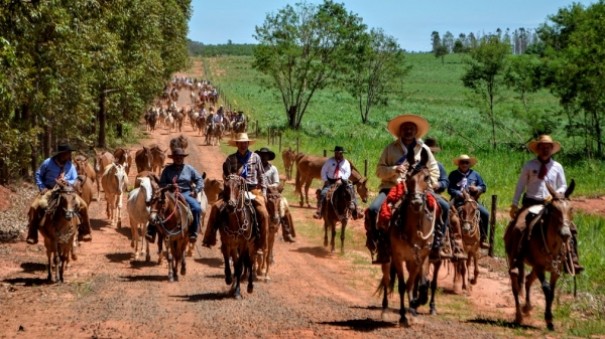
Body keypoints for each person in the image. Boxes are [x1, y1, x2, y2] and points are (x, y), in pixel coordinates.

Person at [366, 114, 440, 264]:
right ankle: (379, 245)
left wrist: (428, 184)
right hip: (391, 187)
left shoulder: (424, 149)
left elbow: (434, 170)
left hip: (418, 189)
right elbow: (379, 171)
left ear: (415, 131)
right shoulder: (390, 149)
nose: (408, 131)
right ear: (400, 131)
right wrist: (394, 169)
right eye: (405, 128)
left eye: (411, 129)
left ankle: (438, 244)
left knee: (443, 207)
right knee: (374, 209)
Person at [508, 134, 583, 273]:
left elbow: (563, 186)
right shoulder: (529, 166)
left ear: (551, 149)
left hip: (551, 203)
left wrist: (555, 194)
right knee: (519, 227)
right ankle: (516, 260)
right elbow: (520, 185)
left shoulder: (557, 167)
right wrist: (514, 203)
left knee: (570, 227)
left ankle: (572, 259)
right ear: (538, 149)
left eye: (548, 147)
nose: (545, 150)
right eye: (542, 147)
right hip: (531, 202)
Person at [202, 133, 268, 252]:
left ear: (248, 144)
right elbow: (225, 176)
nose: (243, 145)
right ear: (237, 144)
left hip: (252, 190)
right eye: (241, 143)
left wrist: (264, 191)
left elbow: (262, 175)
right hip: (234, 191)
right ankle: (210, 237)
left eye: (245, 143)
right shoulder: (230, 158)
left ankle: (261, 244)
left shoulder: (255, 157)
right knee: (215, 208)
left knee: (264, 214)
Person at [26, 142, 93, 245]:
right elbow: (38, 174)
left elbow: (74, 178)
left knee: (83, 206)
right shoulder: (47, 163)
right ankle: (32, 234)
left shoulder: (69, 165)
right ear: (61, 153)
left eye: (70, 153)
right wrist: (42, 187)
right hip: (48, 189)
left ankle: (85, 232)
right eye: (68, 153)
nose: (69, 155)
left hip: (66, 191)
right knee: (34, 207)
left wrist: (67, 182)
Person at [145, 148, 204, 243]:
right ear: (173, 158)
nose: (178, 159)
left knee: (197, 208)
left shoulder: (189, 169)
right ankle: (151, 232)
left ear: (183, 158)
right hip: (169, 193)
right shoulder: (167, 170)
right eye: (176, 157)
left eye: (180, 157)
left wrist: (196, 190)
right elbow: (161, 183)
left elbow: (200, 180)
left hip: (186, 193)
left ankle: (193, 232)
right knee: (156, 205)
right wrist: (169, 186)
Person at [424, 138, 466, 260]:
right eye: (428, 151)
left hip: (434, 193)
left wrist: (439, 185)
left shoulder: (438, 166)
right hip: (418, 192)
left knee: (446, 207)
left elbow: (445, 181)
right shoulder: (418, 162)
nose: (430, 154)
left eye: (432, 152)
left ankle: (440, 241)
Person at [447, 154, 490, 249]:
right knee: (447, 213)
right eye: (462, 162)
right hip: (458, 201)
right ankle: (445, 237)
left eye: (466, 162)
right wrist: (459, 194)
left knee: (485, 214)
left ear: (469, 164)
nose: (464, 164)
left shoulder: (475, 174)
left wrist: (477, 188)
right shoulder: (453, 174)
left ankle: (483, 238)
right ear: (459, 164)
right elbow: (450, 189)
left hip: (472, 201)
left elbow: (483, 187)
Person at [256, 147, 295, 243]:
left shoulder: (273, 169)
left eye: (266, 155)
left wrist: (268, 186)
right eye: (262, 155)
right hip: (257, 191)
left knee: (284, 204)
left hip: (271, 192)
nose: (264, 157)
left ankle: (287, 231)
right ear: (259, 156)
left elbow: (276, 182)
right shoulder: (255, 167)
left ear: (268, 157)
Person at [312, 146, 360, 220]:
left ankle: (356, 211)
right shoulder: (329, 161)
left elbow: (348, 173)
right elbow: (323, 171)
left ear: (342, 154)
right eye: (336, 153)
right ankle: (319, 211)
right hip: (330, 181)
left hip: (342, 181)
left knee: (351, 191)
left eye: (339, 153)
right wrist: (326, 180)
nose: (337, 154)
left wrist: (342, 180)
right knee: (323, 193)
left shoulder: (346, 162)